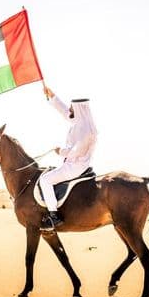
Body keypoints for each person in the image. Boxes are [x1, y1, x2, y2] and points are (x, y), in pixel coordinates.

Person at [40, 85, 98, 231]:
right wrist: (52, 96)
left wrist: (61, 151)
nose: (70, 110)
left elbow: (76, 152)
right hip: (72, 164)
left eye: (72, 108)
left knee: (45, 180)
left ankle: (53, 215)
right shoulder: (80, 122)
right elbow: (64, 112)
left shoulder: (86, 130)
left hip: (75, 166)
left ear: (78, 109)